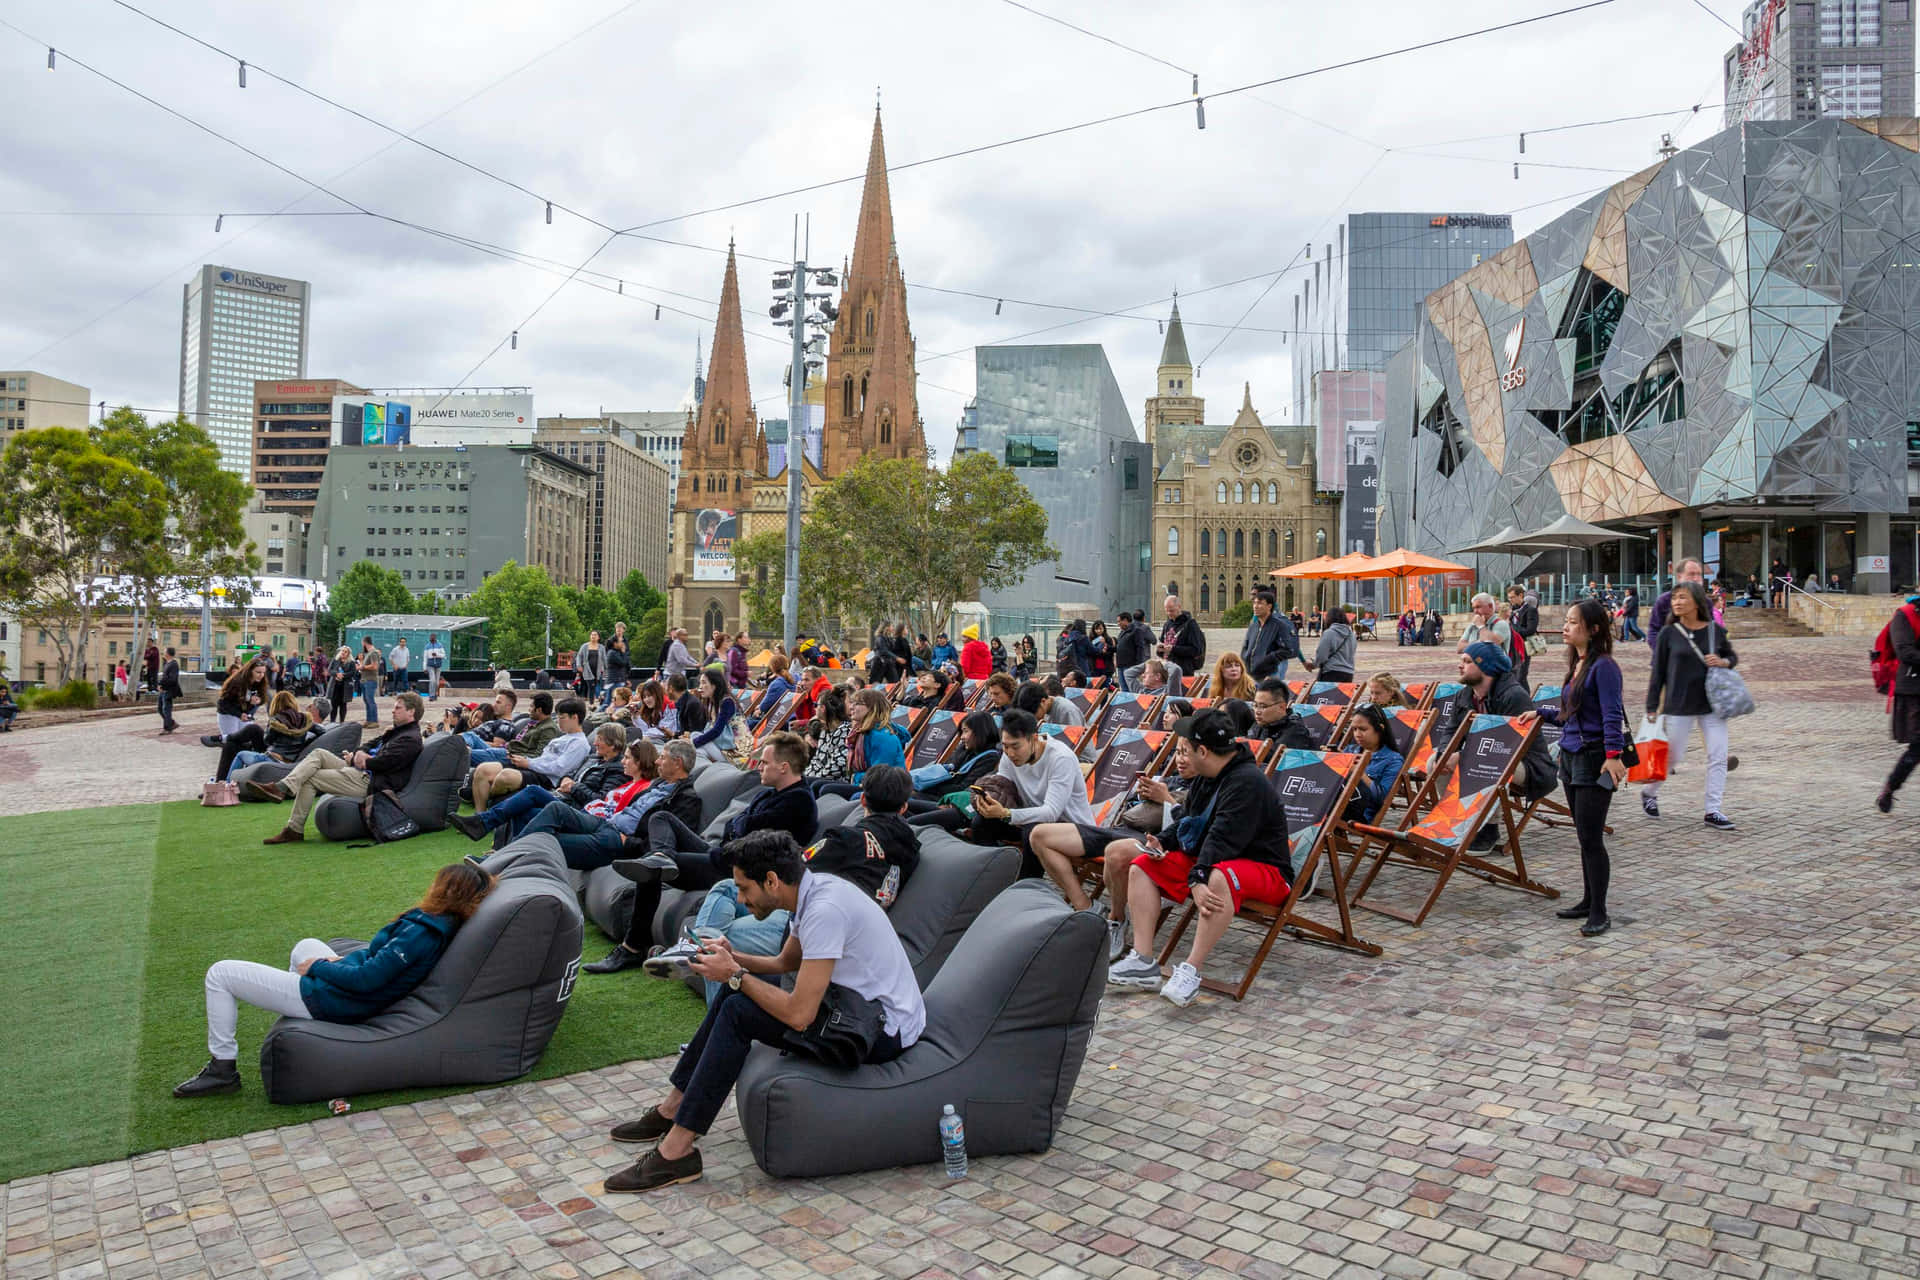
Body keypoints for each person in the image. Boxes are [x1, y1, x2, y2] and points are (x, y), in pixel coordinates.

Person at [599, 828, 923, 1192]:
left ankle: (676, 1152)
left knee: (738, 1005)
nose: (741, 897)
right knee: (733, 992)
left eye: (744, 888)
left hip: (880, 1032)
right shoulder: (811, 892)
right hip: (853, 1008)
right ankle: (673, 1108)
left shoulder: (824, 911)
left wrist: (735, 975)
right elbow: (786, 961)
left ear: (771, 881)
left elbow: (800, 1015)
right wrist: (730, 957)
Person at [173, 860, 494, 1099]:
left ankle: (222, 1068)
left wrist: (319, 969)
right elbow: (376, 962)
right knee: (305, 946)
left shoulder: (423, 934)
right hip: (346, 990)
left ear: (446, 889)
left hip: (341, 1000)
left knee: (220, 974)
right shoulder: (437, 925)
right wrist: (339, 961)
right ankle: (300, 1022)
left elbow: (367, 980)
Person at [650, 764, 921, 1002]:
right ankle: (692, 949)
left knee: (718, 944)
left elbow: (793, 873)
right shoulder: (911, 851)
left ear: (862, 799)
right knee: (725, 888)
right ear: (904, 807)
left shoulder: (848, 839)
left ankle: (697, 957)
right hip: (849, 925)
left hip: (817, 924)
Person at [587, 733, 819, 975]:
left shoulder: (799, 801)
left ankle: (632, 947)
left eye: (765, 762)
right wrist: (741, 826)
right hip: (723, 853)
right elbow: (737, 826)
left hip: (736, 869)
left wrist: (741, 825)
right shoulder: (769, 793)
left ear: (783, 767)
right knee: (662, 818)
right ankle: (662, 856)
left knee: (650, 870)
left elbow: (749, 836)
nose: (759, 766)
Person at [1106, 709, 1293, 1006]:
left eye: (1185, 750)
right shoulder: (1210, 775)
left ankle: (1191, 970)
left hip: (1266, 870)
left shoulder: (1247, 782)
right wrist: (1163, 841)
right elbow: (1190, 819)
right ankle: (1143, 961)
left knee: (1217, 877)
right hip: (1218, 858)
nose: (1181, 757)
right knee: (1142, 865)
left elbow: (1223, 838)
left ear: (1203, 751)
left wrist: (1197, 876)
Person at [1534, 599, 1626, 936]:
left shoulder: (1604, 667)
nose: (1566, 627)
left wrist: (1613, 755)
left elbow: (1612, 713)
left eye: (1573, 622)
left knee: (1591, 838)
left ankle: (1599, 911)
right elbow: (1569, 713)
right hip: (1571, 757)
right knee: (1583, 836)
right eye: (1567, 621)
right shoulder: (1579, 663)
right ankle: (1588, 900)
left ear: (1594, 629)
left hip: (1593, 757)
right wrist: (1541, 714)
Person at [910, 710, 1093, 863]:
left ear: (1034, 739)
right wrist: (987, 800)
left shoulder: (1060, 758)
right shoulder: (1008, 753)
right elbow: (1001, 785)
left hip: (1069, 828)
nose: (1010, 753)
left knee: (1033, 831)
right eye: (1005, 747)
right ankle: (990, 868)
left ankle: (1029, 883)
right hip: (1025, 818)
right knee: (980, 820)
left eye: (1015, 747)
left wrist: (1006, 814)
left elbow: (1051, 812)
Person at [248, 693, 427, 844]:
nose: (393, 711)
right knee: (319, 754)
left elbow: (384, 763)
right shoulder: (396, 731)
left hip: (371, 781)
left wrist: (364, 760)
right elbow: (367, 744)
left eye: (398, 708)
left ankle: (292, 825)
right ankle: (282, 789)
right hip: (360, 769)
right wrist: (359, 755)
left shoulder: (410, 739)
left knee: (311, 778)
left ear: (411, 712)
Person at [1642, 581, 1738, 830]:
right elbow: (1658, 672)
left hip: (1712, 704)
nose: (1676, 602)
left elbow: (1732, 657)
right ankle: (1649, 792)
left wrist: (1723, 661)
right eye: (1674, 598)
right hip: (1678, 703)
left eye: (1682, 597)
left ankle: (1713, 810)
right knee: (1673, 756)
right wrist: (1652, 706)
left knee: (1718, 755)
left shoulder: (1715, 630)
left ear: (1696, 601)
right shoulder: (1668, 634)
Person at [449, 724, 632, 843]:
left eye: (600, 739)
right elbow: (568, 776)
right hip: (564, 797)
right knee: (523, 808)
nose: (596, 743)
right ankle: (500, 851)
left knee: (533, 791)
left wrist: (574, 786)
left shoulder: (616, 770)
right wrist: (566, 782)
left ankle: (482, 822)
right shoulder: (594, 759)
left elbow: (599, 801)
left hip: (577, 809)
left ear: (613, 743)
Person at [471, 697, 590, 810]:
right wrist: (525, 760)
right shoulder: (561, 738)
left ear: (574, 717)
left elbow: (558, 769)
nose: (558, 721)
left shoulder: (579, 743)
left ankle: (487, 799)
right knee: (483, 769)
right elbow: (542, 759)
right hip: (533, 767)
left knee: (506, 776)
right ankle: (479, 815)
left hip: (547, 779)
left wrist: (528, 763)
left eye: (562, 717)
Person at [812, 688, 906, 796]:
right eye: (852, 703)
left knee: (825, 789)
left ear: (872, 708)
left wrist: (855, 777)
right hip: (862, 783)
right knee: (815, 784)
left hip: (884, 792)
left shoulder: (883, 737)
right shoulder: (860, 732)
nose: (851, 707)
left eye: (857, 704)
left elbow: (880, 776)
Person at [1878, 596, 1920, 812]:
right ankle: (1890, 788)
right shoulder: (1905, 615)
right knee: (1917, 748)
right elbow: (1904, 651)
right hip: (1914, 691)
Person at [217, 690, 312, 781]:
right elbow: (321, 730)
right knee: (252, 731)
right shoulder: (305, 719)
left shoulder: (276, 720)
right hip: (290, 761)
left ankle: (228, 785)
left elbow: (267, 741)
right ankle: (227, 738)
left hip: (273, 759)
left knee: (241, 755)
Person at [1343, 703, 1404, 825]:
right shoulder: (1350, 751)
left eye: (1363, 729)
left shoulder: (1392, 760)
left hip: (1360, 813)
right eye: (1354, 729)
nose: (1357, 734)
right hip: (1337, 804)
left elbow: (1382, 798)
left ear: (1380, 729)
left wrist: (1359, 772)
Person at [1241, 590, 1298, 682]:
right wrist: (1244, 660)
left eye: (1260, 603)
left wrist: (1269, 659)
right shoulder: (1253, 626)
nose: (1255, 606)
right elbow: (1246, 646)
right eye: (1254, 603)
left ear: (1269, 606)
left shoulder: (1279, 625)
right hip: (1249, 675)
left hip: (1268, 675)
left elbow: (1288, 650)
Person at [1151, 595, 1205, 686]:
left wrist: (1173, 649)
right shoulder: (1167, 624)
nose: (1169, 613)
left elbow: (1196, 650)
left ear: (1179, 607)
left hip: (1183, 672)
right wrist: (1160, 649)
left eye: (1171, 610)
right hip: (1167, 670)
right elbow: (1163, 646)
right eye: (1167, 610)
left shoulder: (1190, 624)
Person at [1248, 677, 1315, 749]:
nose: (1257, 711)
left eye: (1263, 706)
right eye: (1255, 705)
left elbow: (1271, 756)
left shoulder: (1296, 731)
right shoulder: (1259, 724)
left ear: (1282, 707)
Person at [1303, 608, 1357, 684]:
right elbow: (1352, 653)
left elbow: (1322, 655)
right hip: (1348, 673)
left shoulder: (1329, 633)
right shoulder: (1351, 634)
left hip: (1331, 672)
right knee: (1342, 696)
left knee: (1324, 695)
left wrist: (1314, 665)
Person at [155, 646, 182, 734]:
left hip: (169, 690)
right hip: (163, 690)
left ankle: (167, 728)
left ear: (168, 653)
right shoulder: (166, 663)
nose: (163, 652)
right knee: (160, 709)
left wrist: (162, 684)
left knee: (166, 709)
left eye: (164, 651)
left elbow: (173, 679)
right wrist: (160, 684)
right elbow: (164, 677)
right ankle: (172, 723)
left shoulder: (174, 664)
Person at [357, 638, 383, 723]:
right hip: (365, 680)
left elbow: (375, 666)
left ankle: (374, 721)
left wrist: (362, 667)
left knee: (370, 700)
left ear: (364, 643)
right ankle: (369, 720)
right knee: (367, 700)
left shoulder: (373, 652)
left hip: (370, 680)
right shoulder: (368, 653)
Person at [422, 633, 447, 701]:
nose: (431, 638)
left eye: (433, 637)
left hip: (438, 665)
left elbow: (444, 655)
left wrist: (437, 655)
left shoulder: (439, 645)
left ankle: (435, 694)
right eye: (431, 637)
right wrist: (424, 668)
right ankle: (431, 695)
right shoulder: (427, 646)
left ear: (435, 638)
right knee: (432, 680)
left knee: (436, 682)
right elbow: (425, 658)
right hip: (430, 665)